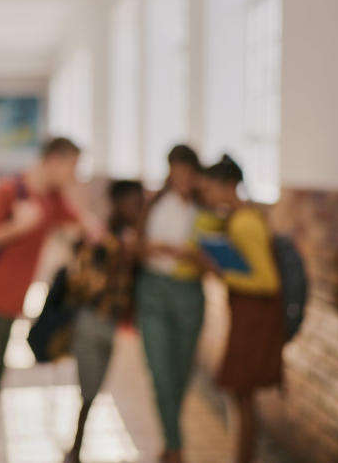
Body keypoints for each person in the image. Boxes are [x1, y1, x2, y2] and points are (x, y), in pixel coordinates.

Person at [0, 137, 86, 462]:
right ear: (53, 160)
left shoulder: (51, 198)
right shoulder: (9, 192)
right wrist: (17, 226)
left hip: (10, 302)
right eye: (71, 167)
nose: (73, 176)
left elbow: (82, 224)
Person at [135, 145, 219, 463]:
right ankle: (177, 447)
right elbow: (137, 247)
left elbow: (219, 261)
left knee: (181, 372)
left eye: (187, 174)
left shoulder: (207, 210)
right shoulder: (156, 203)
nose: (181, 179)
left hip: (189, 293)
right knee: (159, 371)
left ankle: (170, 440)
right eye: (175, 173)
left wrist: (194, 256)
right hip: (153, 289)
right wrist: (150, 247)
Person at [198, 155, 283, 463]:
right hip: (246, 315)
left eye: (209, 188)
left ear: (227, 186)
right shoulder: (239, 217)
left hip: (255, 320)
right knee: (240, 394)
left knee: (242, 393)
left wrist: (221, 272)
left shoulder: (246, 222)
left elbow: (267, 282)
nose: (205, 195)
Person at [62, 180, 144, 463]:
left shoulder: (131, 237)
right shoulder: (104, 239)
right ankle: (75, 449)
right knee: (88, 389)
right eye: (133, 203)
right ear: (118, 205)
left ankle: (76, 447)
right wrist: (121, 254)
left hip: (109, 324)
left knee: (94, 390)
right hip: (91, 321)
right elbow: (88, 283)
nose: (138, 209)